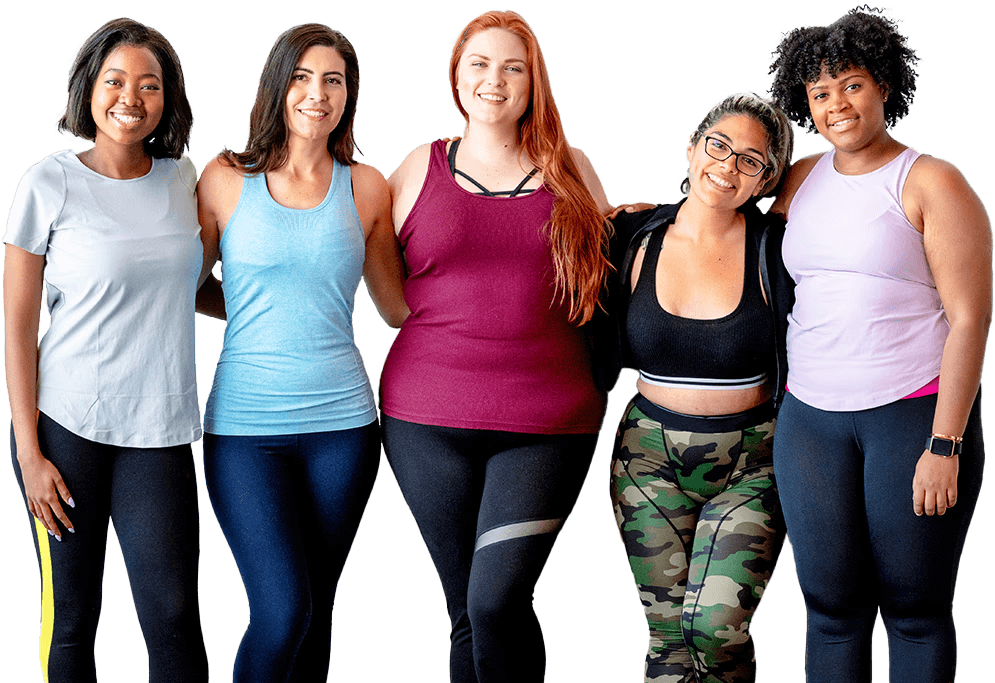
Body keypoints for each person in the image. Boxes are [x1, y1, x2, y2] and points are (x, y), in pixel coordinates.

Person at [379, 9, 612, 682]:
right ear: (456, 78)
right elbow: (383, 292)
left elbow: (614, 282)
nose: (494, 79)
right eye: (479, 63)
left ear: (532, 82)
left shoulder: (573, 170)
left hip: (549, 422)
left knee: (496, 597)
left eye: (513, 67)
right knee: (465, 608)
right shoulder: (416, 168)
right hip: (424, 420)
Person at [768, 7, 991, 682]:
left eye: (852, 84)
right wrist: (645, 218)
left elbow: (970, 319)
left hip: (911, 418)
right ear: (803, 103)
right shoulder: (799, 179)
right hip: (809, 421)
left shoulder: (931, 181)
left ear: (884, 86)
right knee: (829, 609)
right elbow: (722, 221)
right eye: (819, 92)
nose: (837, 103)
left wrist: (944, 444)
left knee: (913, 608)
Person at [195, 22, 407, 683]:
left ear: (349, 96)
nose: (317, 93)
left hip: (344, 431)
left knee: (315, 611)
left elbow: (397, 307)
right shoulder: (225, 178)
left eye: (333, 80)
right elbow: (181, 284)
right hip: (245, 433)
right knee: (282, 609)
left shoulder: (366, 186)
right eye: (301, 77)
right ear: (275, 87)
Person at [2, 17, 210, 683]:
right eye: (115, 80)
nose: (130, 96)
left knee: (174, 616)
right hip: (67, 433)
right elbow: (16, 324)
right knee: (72, 617)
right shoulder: (47, 184)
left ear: (167, 99)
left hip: (160, 432)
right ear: (88, 88)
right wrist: (29, 451)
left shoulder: (186, 181)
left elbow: (195, 285)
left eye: (149, 85)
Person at [607, 91, 794, 683]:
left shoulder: (779, 245)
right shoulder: (632, 234)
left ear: (767, 179)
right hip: (646, 460)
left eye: (751, 160)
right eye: (718, 145)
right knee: (668, 639)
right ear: (691, 148)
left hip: (753, 462)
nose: (727, 165)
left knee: (715, 630)